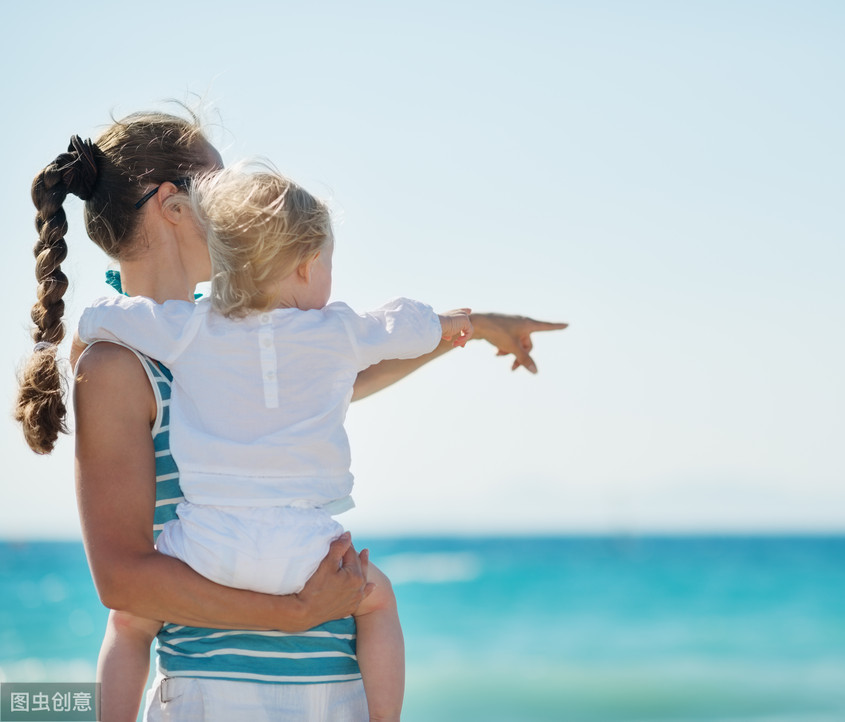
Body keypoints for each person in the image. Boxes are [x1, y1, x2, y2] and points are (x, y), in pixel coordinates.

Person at [16, 110, 567, 722]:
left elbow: (344, 375)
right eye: (219, 187)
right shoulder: (120, 364)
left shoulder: (231, 332)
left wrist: (478, 325)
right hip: (215, 696)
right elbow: (123, 582)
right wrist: (295, 611)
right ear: (174, 207)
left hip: (334, 691)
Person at [74, 165, 472, 722]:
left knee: (128, 621)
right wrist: (453, 323)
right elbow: (404, 326)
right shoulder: (338, 330)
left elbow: (107, 316)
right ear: (307, 264)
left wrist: (80, 337)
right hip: (302, 547)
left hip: (207, 542)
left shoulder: (190, 327)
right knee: (377, 600)